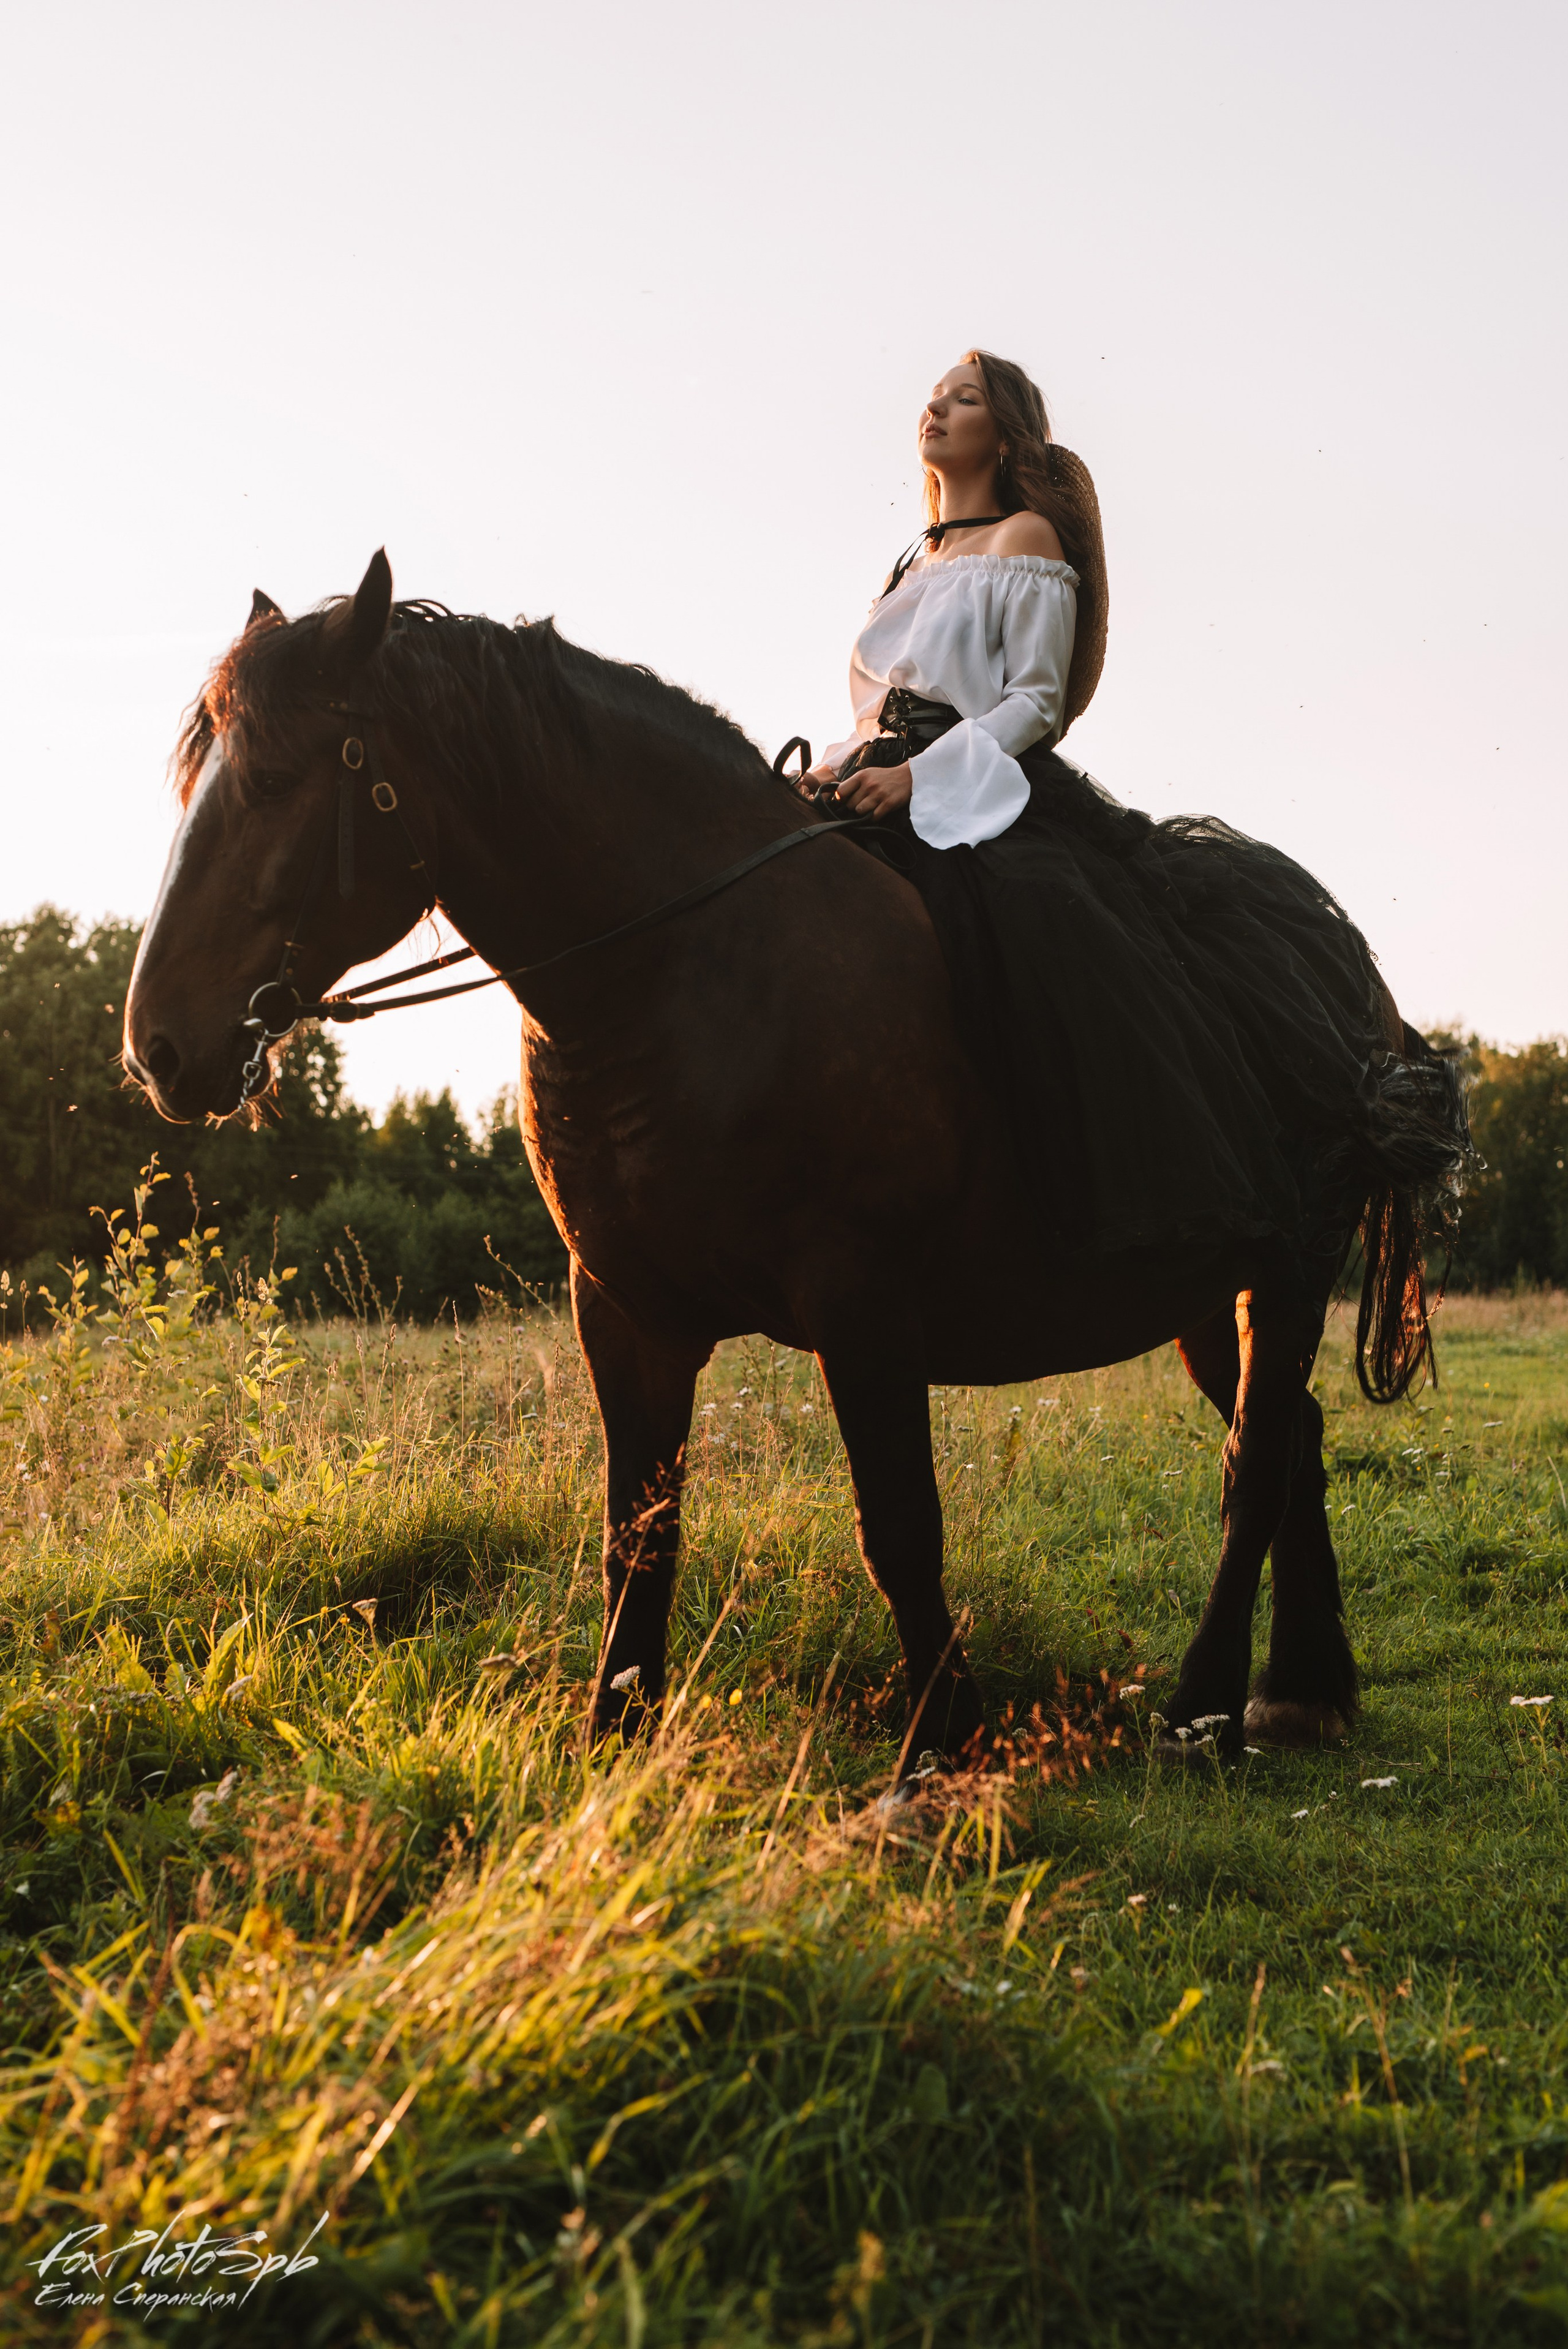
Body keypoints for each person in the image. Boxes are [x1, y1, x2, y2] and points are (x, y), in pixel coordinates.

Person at [803, 350, 1439, 1278]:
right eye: (933, 397)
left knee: (1048, 925)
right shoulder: (912, 562)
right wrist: (839, 771)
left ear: (1005, 436)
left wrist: (919, 780)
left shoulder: (1027, 539)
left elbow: (1034, 703)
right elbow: (876, 705)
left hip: (975, 783)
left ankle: (1063, 1208)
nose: (934, 408)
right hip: (875, 776)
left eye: (963, 399)